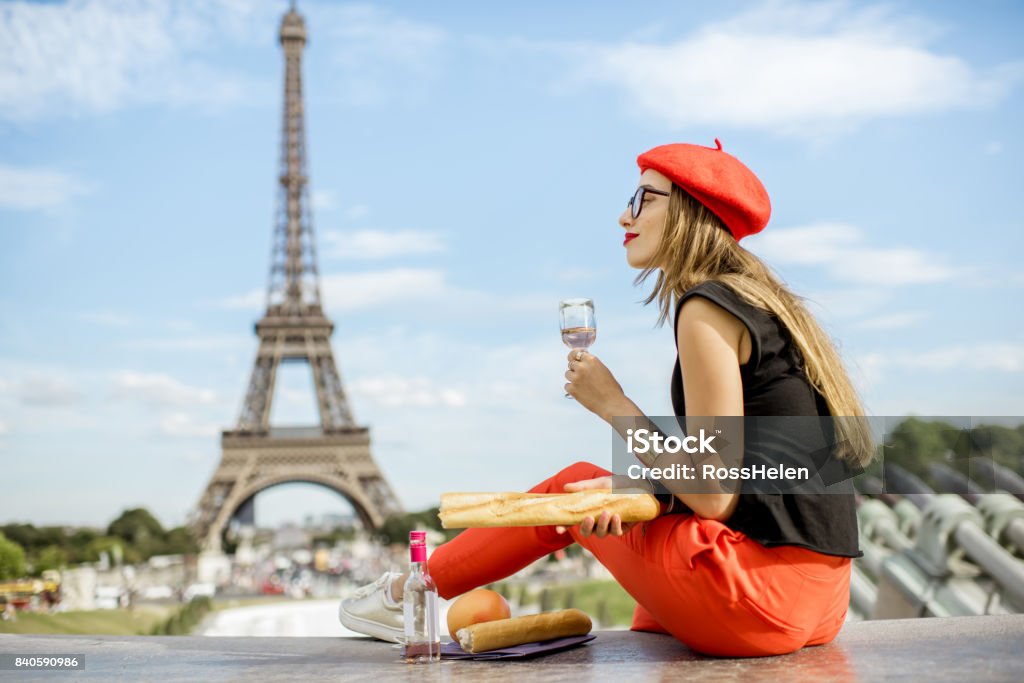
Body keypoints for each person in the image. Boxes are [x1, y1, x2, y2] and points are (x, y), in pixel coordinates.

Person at [339, 139, 873, 657]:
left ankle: (406, 593)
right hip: (823, 599)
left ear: (690, 210)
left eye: (643, 198)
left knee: (571, 487)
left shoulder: (705, 308)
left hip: (759, 599)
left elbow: (714, 492)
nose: (624, 216)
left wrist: (613, 404)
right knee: (621, 531)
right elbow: (760, 473)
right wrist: (641, 487)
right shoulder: (770, 309)